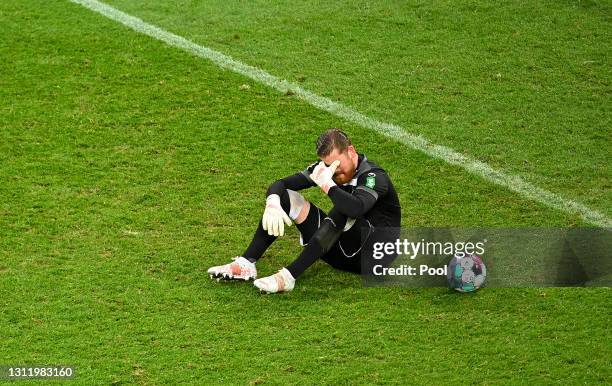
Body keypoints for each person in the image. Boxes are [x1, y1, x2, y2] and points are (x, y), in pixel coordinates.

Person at [207, 128, 401, 293]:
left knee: (342, 211)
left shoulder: (374, 177)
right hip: (340, 253)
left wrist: (328, 186)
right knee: (285, 196)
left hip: (374, 258)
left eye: (337, 164)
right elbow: (282, 183)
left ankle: (288, 277)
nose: (334, 172)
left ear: (350, 151)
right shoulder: (327, 170)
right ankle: (246, 263)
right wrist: (273, 202)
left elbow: (357, 208)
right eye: (327, 166)